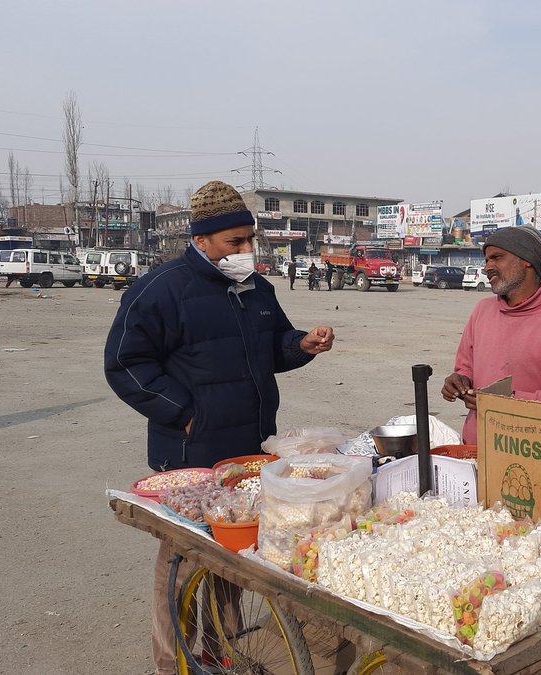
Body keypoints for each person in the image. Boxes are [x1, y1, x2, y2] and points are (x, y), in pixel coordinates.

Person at [104, 180, 336, 675]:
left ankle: (223, 652)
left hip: (249, 452)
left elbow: (273, 345)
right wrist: (186, 414)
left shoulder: (256, 288)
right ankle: (173, 662)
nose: (247, 251)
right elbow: (125, 363)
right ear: (203, 240)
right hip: (193, 456)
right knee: (183, 563)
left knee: (233, 560)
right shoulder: (161, 290)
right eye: (236, 242)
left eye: (250, 240)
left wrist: (302, 345)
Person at [442, 226, 541, 445]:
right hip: (476, 450)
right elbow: (466, 368)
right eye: (486, 260)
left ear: (527, 260)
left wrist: (508, 402)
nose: (487, 267)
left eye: (496, 258)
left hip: (530, 454)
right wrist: (460, 381)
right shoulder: (481, 311)